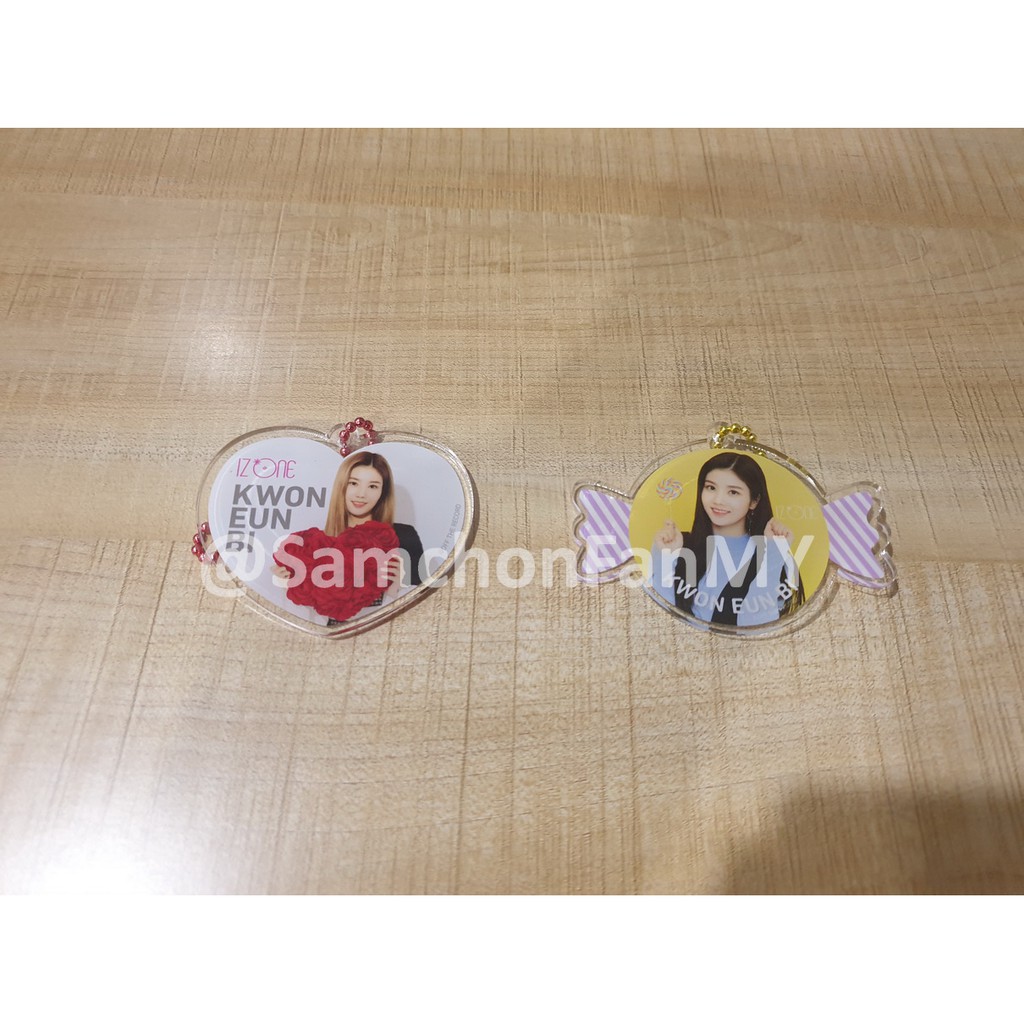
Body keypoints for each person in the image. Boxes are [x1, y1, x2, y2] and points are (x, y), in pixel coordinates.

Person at [650, 452, 804, 627]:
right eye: (711, 488)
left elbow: (756, 628)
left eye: (733, 492)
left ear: (754, 501)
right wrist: (665, 560)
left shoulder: (771, 553)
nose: (718, 500)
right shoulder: (676, 544)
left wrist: (774, 554)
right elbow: (661, 620)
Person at [273, 451, 425, 622]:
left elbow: (422, 610)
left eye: (372, 486)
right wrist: (286, 585)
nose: (361, 494)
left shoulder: (403, 538)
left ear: (383, 492)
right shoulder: (314, 545)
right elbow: (316, 617)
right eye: (354, 483)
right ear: (342, 486)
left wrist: (398, 590)